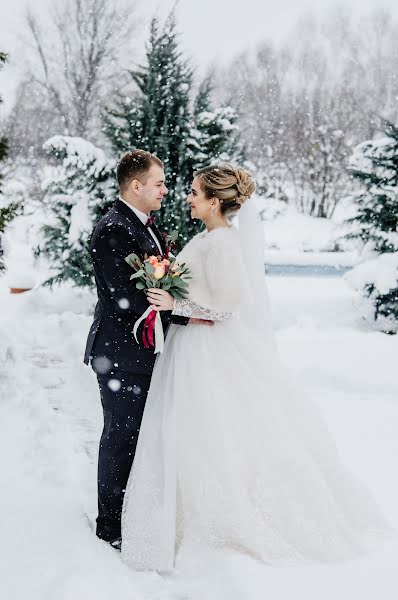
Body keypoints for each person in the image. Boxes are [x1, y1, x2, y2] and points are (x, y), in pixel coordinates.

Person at [121, 163, 392, 571]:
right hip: (190, 347)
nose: (188, 198)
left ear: (215, 202)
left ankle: (220, 520)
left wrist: (178, 305)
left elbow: (230, 308)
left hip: (208, 351)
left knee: (212, 434)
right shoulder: (208, 237)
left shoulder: (224, 244)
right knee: (189, 434)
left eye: (195, 193)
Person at [84, 149, 211, 549]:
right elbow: (128, 299)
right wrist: (188, 314)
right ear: (135, 185)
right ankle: (111, 528)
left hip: (146, 352)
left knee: (143, 438)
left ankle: (137, 517)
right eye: (158, 183)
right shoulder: (112, 229)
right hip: (121, 355)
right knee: (121, 438)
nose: (165, 190)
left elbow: (159, 285)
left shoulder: (145, 226)